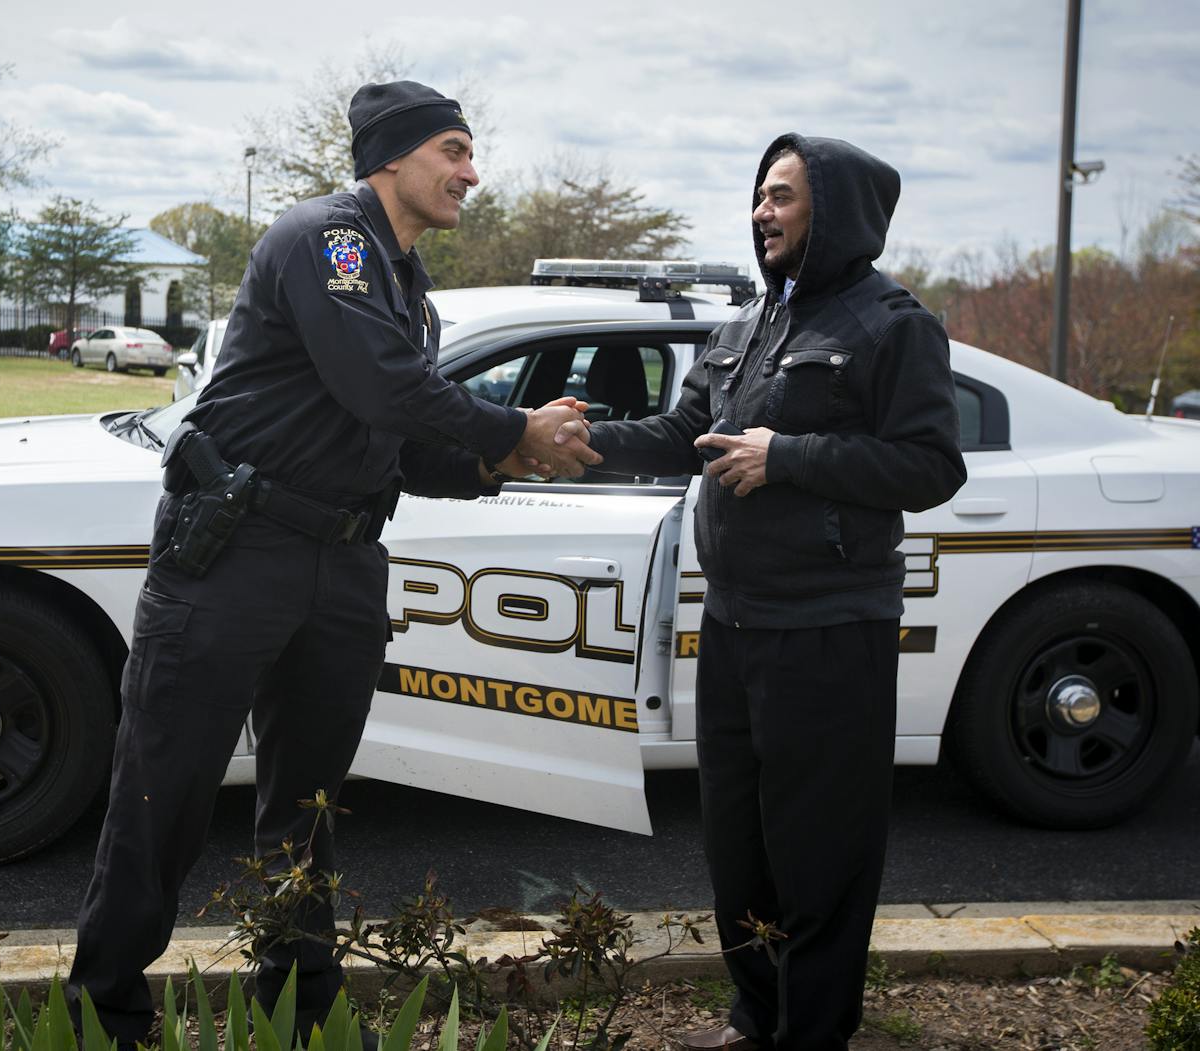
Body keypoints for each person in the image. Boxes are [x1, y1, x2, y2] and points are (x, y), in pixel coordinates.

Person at [65, 80, 600, 1049]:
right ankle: (104, 1018)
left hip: (344, 560)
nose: (470, 172)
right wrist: (511, 422)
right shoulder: (331, 238)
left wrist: (502, 456)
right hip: (236, 552)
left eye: (470, 153)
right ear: (391, 157)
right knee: (165, 793)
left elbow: (396, 439)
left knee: (306, 810)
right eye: (451, 149)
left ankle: (297, 1013)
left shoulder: (410, 291)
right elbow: (377, 383)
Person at [554, 134, 966, 1049]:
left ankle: (813, 1033)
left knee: (822, 854)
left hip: (830, 628)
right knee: (737, 851)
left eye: (781, 196)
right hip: (735, 625)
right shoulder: (745, 324)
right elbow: (683, 434)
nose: (760, 212)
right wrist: (578, 438)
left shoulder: (892, 324)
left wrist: (790, 457)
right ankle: (757, 1017)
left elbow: (933, 465)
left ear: (836, 212)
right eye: (758, 195)